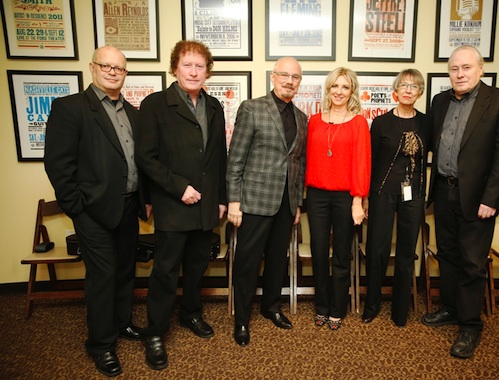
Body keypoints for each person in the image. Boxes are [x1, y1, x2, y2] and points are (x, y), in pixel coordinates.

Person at [44, 46, 147, 377]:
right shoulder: (70, 108)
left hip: (128, 206)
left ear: (125, 73)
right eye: (107, 66)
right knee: (102, 277)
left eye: (119, 68)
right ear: (92, 67)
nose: (113, 72)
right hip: (92, 211)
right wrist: (77, 208)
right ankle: (101, 345)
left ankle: (122, 324)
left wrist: (143, 199)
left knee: (125, 271)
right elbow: (58, 165)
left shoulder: (132, 113)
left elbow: (137, 163)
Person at [135, 40, 227, 369]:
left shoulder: (215, 106)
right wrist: (178, 187)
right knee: (165, 272)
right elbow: (145, 158)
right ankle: (156, 333)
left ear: (207, 72)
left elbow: (219, 159)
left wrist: (221, 199)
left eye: (199, 66)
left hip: (206, 207)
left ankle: (190, 313)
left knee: (198, 267)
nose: (193, 71)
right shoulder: (155, 104)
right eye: (186, 65)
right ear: (175, 68)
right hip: (174, 205)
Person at [421, 45, 499, 359]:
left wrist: (491, 199)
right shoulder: (440, 101)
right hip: (445, 192)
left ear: (480, 69)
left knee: (473, 263)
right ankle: (451, 309)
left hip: (477, 199)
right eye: (454, 69)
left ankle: (471, 325)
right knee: (447, 255)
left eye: (466, 68)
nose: (460, 74)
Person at [226, 57, 307, 346]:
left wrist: (297, 202)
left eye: (295, 77)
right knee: (248, 262)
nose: (289, 81)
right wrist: (234, 200)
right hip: (254, 201)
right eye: (284, 75)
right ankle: (242, 320)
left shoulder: (301, 118)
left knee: (277, 260)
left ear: (300, 81)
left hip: (286, 204)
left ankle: (271, 307)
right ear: (273, 77)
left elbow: (299, 163)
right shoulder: (252, 108)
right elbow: (235, 157)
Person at [362, 69, 431, 327]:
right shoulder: (380, 123)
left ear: (420, 92)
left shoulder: (427, 123)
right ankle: (372, 306)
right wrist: (367, 196)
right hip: (382, 194)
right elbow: (371, 162)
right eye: (403, 85)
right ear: (395, 90)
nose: (408, 89)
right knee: (377, 250)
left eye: (414, 86)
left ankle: (400, 310)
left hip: (413, 196)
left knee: (405, 253)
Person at [304, 67, 371, 330]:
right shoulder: (314, 121)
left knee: (342, 255)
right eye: (335, 86)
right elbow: (307, 159)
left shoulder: (358, 123)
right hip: (317, 196)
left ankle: (338, 308)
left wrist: (358, 200)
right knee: (319, 254)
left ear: (351, 90)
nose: (339, 92)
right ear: (328, 89)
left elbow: (362, 164)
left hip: (345, 198)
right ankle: (321, 305)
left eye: (345, 87)